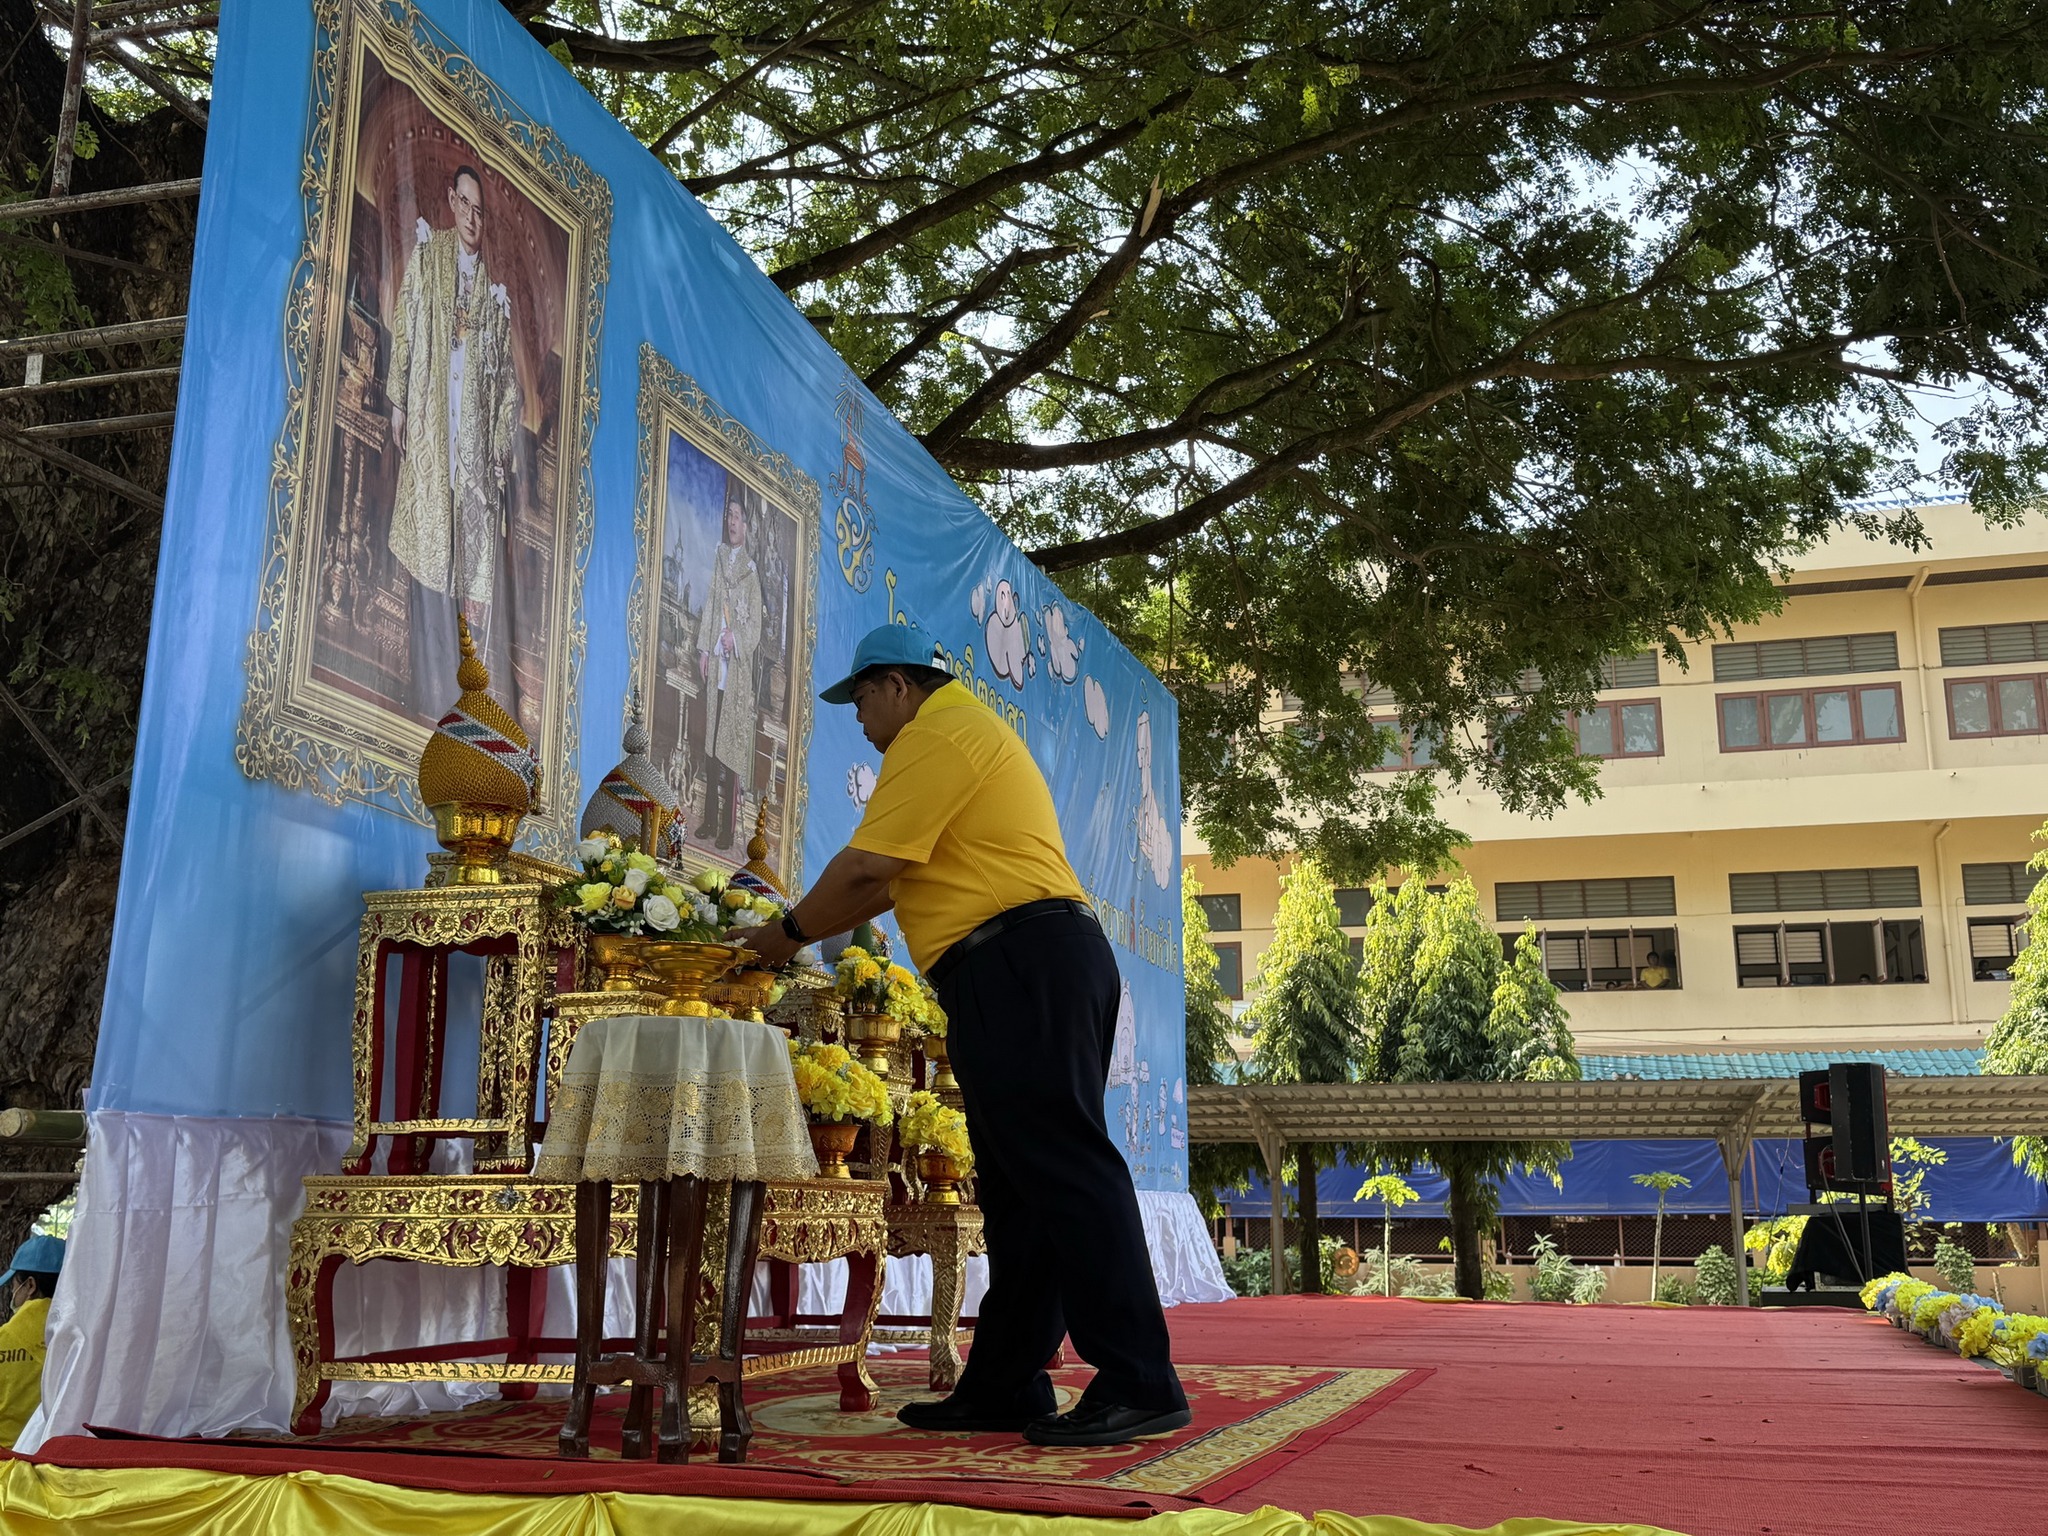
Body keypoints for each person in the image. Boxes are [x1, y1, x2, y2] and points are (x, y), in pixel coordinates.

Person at [743, 622, 1189, 1447]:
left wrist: (784, 934)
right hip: (1020, 964)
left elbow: (867, 868)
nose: (863, 724)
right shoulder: (959, 732)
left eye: (863, 702)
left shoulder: (935, 733)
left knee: (1065, 1168)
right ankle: (1006, 1383)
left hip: (1023, 961)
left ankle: (1139, 1377)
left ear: (898, 686)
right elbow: (886, 883)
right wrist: (802, 926)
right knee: (1022, 1188)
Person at [386, 162, 523, 721]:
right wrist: (397, 399)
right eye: (464, 204)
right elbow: (407, 321)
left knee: (458, 566)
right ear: (450, 201)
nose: (472, 217)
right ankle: (424, 690)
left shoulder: (493, 299)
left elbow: (507, 386)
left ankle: (451, 697)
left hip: (469, 452)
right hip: (430, 425)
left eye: (480, 210)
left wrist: (497, 446)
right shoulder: (429, 256)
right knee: (427, 555)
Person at [693, 495, 764, 850]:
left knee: (729, 752)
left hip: (735, 673)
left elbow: (755, 628)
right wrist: (705, 649)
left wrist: (734, 637)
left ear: (746, 526)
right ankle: (707, 819)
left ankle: (726, 828)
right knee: (710, 748)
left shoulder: (751, 574)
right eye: (728, 516)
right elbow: (710, 605)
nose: (732, 521)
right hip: (717, 668)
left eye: (737, 516)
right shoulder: (720, 560)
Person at [0, 1234, 63, 1448]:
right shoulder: (89, 1340)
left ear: (30, 1286)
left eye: (14, 1285)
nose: (12, 1294)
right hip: (64, 1465)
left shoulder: (3, 1340)